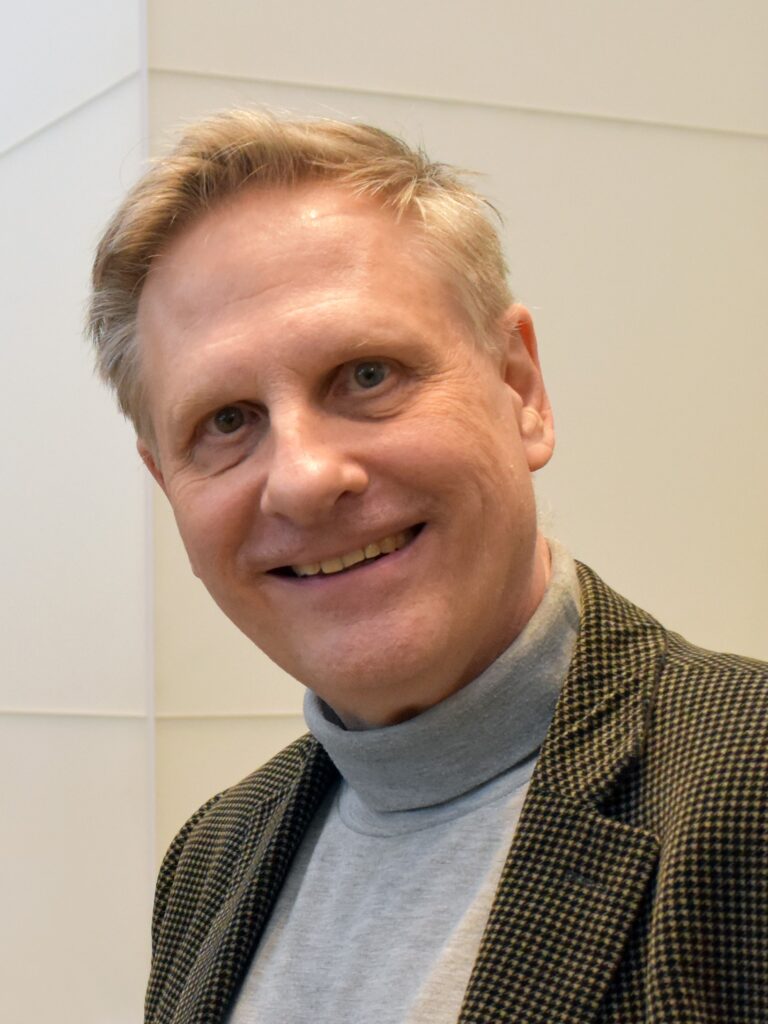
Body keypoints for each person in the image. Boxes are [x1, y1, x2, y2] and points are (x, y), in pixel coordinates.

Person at [88, 110, 767, 1024]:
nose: (303, 478)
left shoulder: (745, 791)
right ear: (166, 481)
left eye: (367, 375)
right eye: (227, 421)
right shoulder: (212, 859)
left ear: (521, 389)